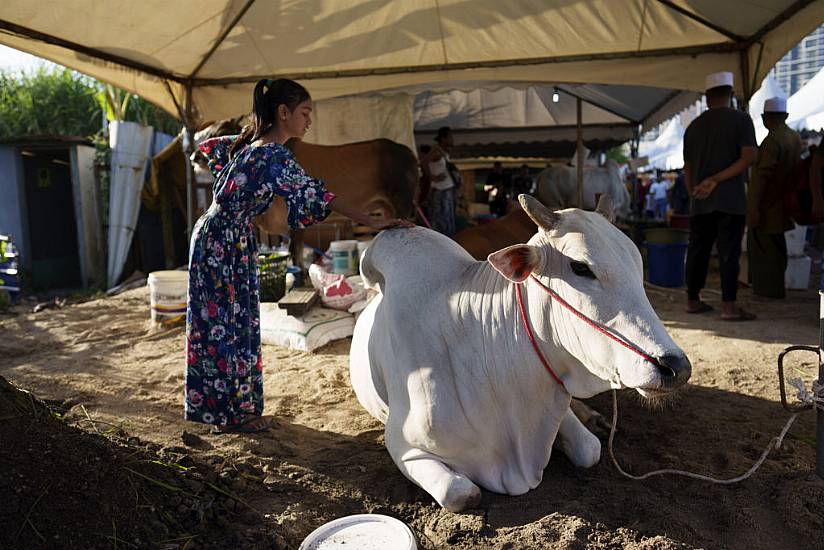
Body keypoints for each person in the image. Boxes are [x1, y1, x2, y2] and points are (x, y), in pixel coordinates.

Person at [186, 78, 411, 433]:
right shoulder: (272, 153)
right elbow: (319, 195)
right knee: (225, 325)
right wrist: (370, 219)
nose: (309, 121)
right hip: (224, 241)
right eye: (304, 112)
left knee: (232, 323)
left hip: (222, 237)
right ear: (283, 112)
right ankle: (228, 416)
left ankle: (231, 412)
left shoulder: (250, 145)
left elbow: (211, 149)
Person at [683, 71, 757, 320]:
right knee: (729, 253)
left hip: (700, 201)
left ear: (707, 98)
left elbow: (688, 168)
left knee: (697, 251)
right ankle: (728, 307)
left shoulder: (693, 127)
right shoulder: (741, 120)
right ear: (731, 94)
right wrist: (716, 180)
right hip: (730, 200)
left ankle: (692, 301)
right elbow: (749, 157)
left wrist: (695, 190)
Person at [746, 97, 802, 299]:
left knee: (764, 248)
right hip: (783, 201)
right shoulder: (794, 137)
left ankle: (767, 290)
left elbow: (763, 176)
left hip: (767, 204)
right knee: (777, 248)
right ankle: (775, 287)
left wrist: (754, 208)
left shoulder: (772, 141)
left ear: (764, 118)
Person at [421, 127, 459, 236]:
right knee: (440, 221)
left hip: (446, 189)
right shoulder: (436, 151)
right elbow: (423, 162)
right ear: (443, 138)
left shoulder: (443, 152)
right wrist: (432, 177)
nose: (452, 139)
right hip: (439, 190)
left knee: (447, 221)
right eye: (450, 137)